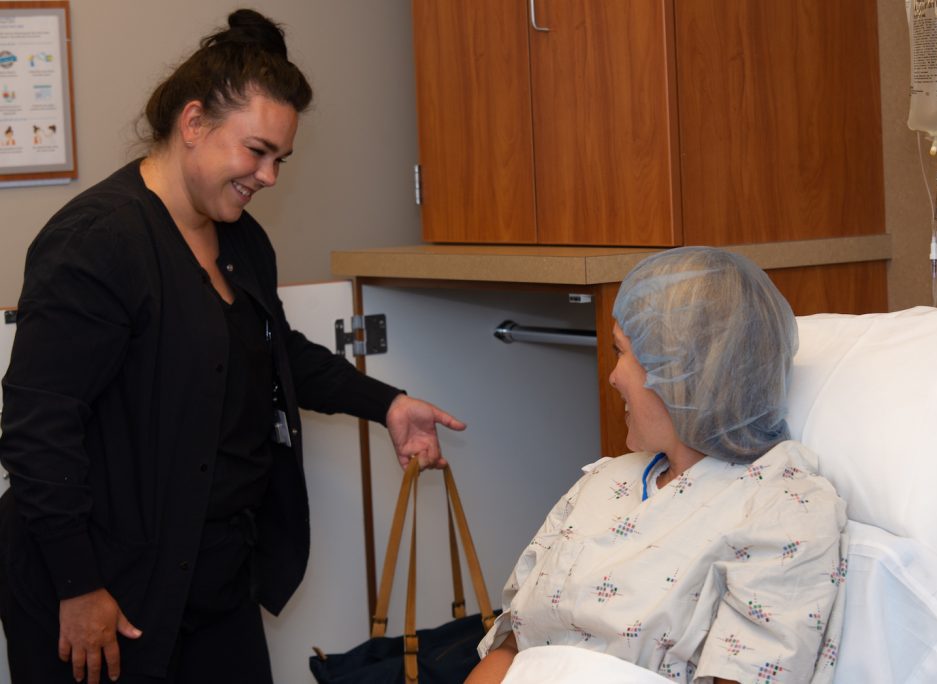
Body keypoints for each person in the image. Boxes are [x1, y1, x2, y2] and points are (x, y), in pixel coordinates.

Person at [0, 10, 464, 684]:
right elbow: (38, 427)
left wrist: (386, 404)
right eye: (256, 151)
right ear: (193, 124)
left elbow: (270, 351)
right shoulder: (99, 243)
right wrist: (78, 585)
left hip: (211, 574)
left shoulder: (239, 238)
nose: (269, 176)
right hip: (105, 585)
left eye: (281, 158)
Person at [468, 247, 847, 684]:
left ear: (685, 370)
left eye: (622, 352)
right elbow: (513, 645)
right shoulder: (605, 482)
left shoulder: (783, 510)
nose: (613, 377)